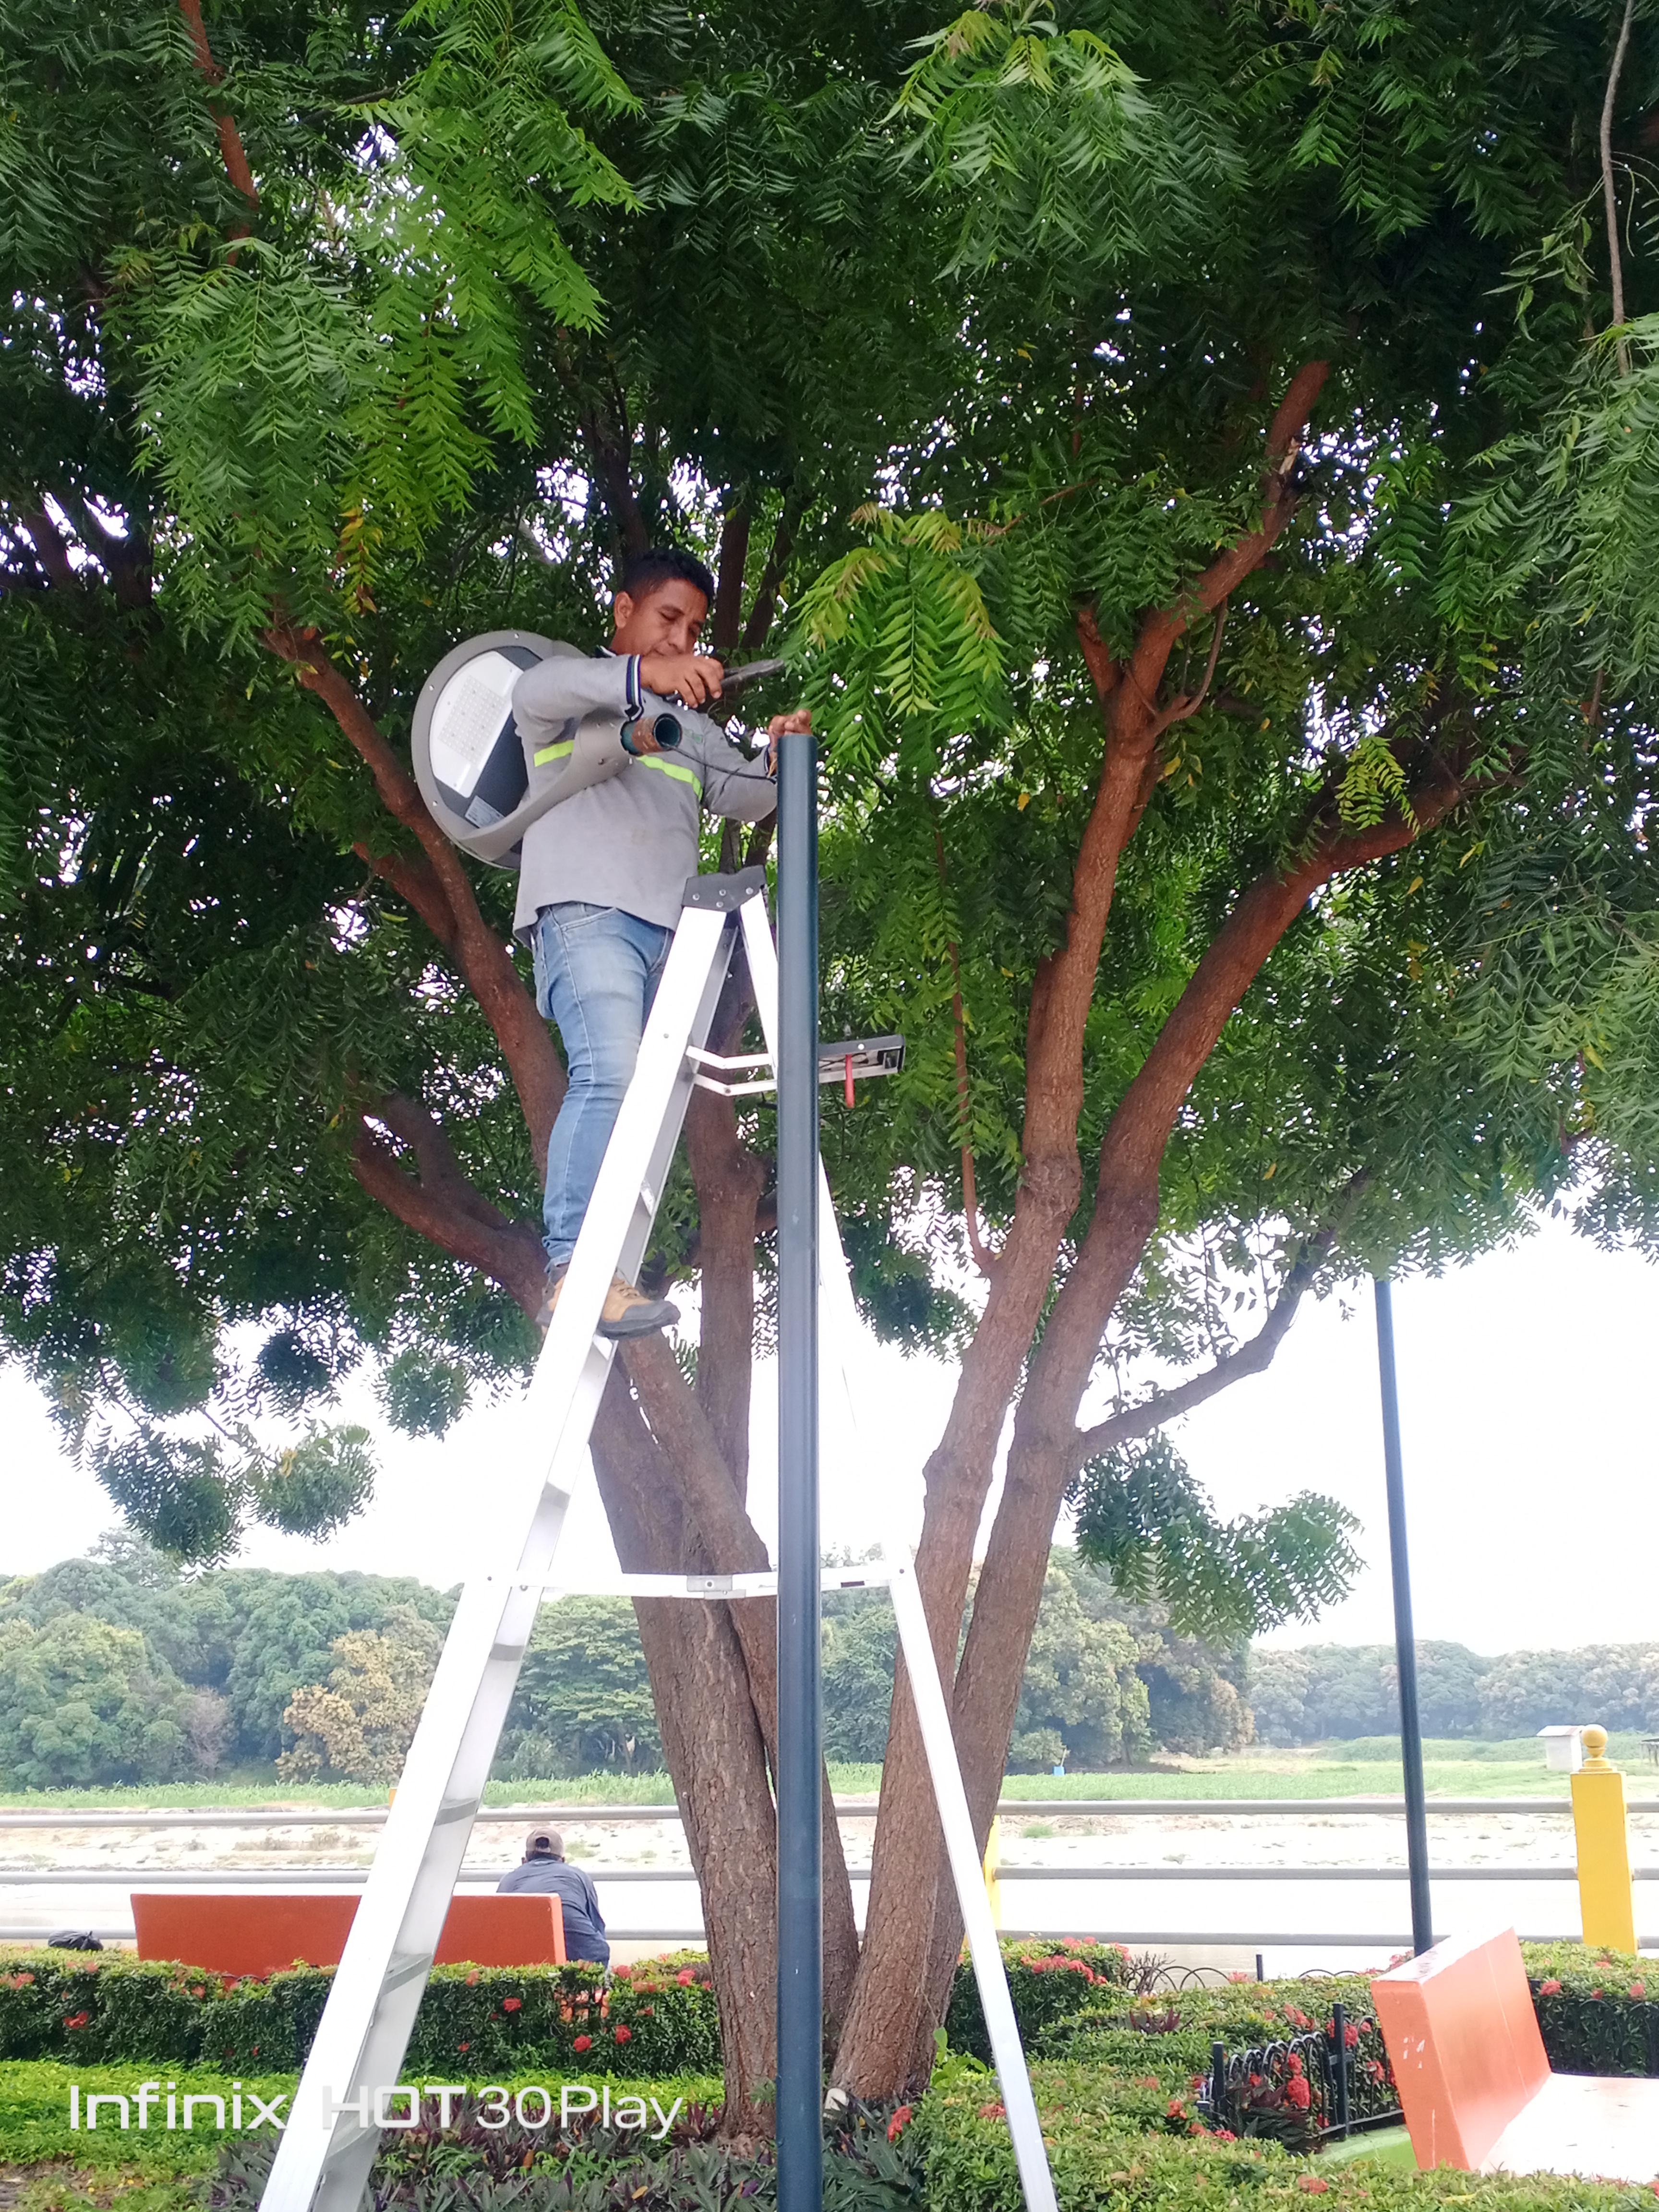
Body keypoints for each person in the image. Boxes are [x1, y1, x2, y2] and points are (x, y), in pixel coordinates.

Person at [510, 546, 810, 1337]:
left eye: (694, 629)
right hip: (585, 913)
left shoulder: (695, 731)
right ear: (624, 610)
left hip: (666, 939)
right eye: (668, 618)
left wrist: (779, 754)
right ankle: (574, 1272)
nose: (683, 639)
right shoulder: (572, 693)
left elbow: (745, 797)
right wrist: (646, 677)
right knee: (609, 1072)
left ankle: (598, 1272)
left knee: (637, 1101)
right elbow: (529, 689)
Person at [496, 1825, 610, 1965]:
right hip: (577, 1957)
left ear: (524, 1861)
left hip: (523, 1963)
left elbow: (499, 1929)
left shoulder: (507, 1880)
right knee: (598, 1952)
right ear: (563, 1860)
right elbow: (597, 1925)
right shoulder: (579, 1876)